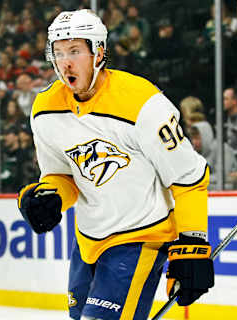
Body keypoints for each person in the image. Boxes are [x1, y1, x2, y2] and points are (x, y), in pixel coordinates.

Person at [17, 9, 214, 320]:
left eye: (75, 51)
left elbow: (189, 176)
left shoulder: (143, 104)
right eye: (58, 52)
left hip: (140, 238)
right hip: (88, 241)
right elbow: (60, 174)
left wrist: (192, 244)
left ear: (98, 53)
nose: (64, 62)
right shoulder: (45, 108)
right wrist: (51, 196)